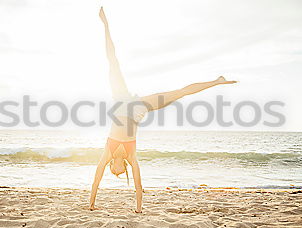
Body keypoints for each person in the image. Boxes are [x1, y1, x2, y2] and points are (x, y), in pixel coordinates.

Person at [89, 7, 237, 213]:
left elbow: (96, 179)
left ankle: (106, 25)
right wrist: (138, 209)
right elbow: (139, 186)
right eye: (119, 173)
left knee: (114, 63)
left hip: (122, 100)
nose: (117, 172)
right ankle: (217, 81)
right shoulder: (131, 158)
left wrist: (91, 203)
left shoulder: (107, 154)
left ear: (112, 166)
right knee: (179, 93)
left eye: (114, 172)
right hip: (138, 108)